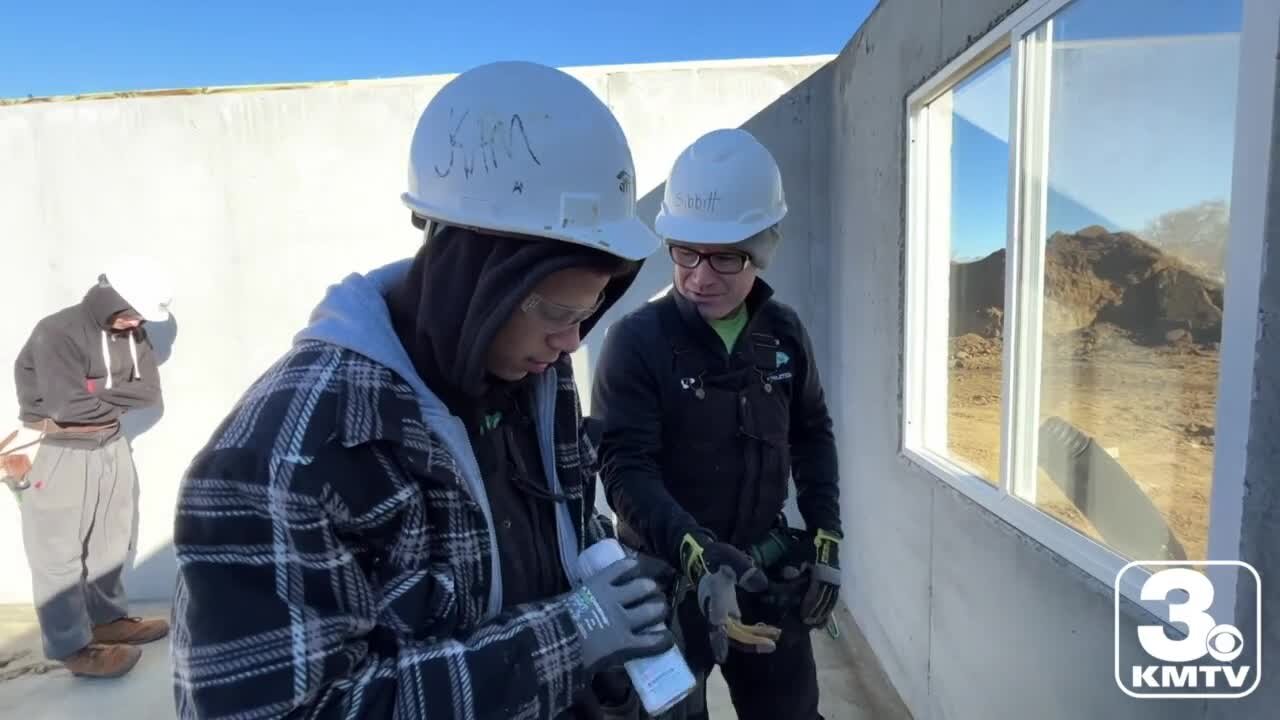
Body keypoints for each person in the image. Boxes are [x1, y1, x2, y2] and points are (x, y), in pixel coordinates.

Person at [171, 61, 676, 720]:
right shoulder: (285, 456)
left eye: (588, 314)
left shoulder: (537, 377)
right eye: (557, 313)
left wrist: (611, 606)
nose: (573, 343)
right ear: (480, 274)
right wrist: (570, 638)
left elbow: (564, 529)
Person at [592, 128, 843, 720]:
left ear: (762, 250)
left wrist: (827, 530)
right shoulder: (636, 343)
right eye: (685, 251)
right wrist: (696, 551)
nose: (700, 276)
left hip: (762, 579)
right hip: (671, 587)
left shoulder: (783, 334)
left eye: (725, 256)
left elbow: (812, 433)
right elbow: (624, 466)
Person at [12, 257, 174, 678]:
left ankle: (107, 620)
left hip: (110, 443)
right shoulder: (57, 332)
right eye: (134, 312)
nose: (139, 323)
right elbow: (65, 406)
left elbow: (148, 393)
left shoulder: (132, 333)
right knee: (58, 555)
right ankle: (74, 648)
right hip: (56, 448)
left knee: (111, 541)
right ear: (113, 300)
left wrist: (96, 395)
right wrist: (112, 395)